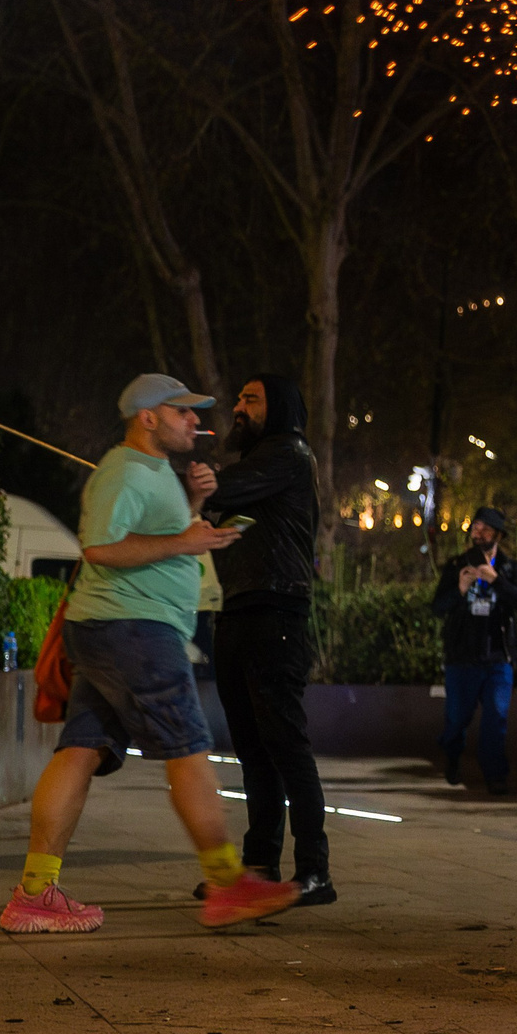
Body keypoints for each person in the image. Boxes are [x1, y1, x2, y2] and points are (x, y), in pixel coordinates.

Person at [0, 374, 301, 934]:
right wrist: (186, 542)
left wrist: (196, 502)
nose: (196, 422)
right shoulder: (122, 471)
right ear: (148, 417)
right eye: (184, 412)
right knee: (187, 746)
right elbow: (100, 547)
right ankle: (227, 882)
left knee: (82, 749)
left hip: (114, 629)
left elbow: (155, 530)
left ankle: (35, 893)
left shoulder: (157, 470)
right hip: (134, 630)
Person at [204, 374, 332, 905]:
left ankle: (314, 871)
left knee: (285, 746)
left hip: (275, 611)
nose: (237, 407)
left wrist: (193, 478)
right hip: (240, 610)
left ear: (277, 408)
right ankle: (260, 862)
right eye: (238, 397)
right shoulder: (262, 464)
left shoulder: (288, 454)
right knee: (252, 749)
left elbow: (222, 489)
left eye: (250, 400)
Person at [432, 506, 517, 794]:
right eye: (476, 528)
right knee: (457, 719)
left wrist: (495, 580)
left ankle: (495, 776)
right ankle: (451, 755)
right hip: (462, 658)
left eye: (486, 529)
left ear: (497, 535)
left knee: (496, 718)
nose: (479, 533)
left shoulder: (510, 568)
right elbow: (437, 607)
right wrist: (460, 589)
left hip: (498, 658)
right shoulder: (456, 566)